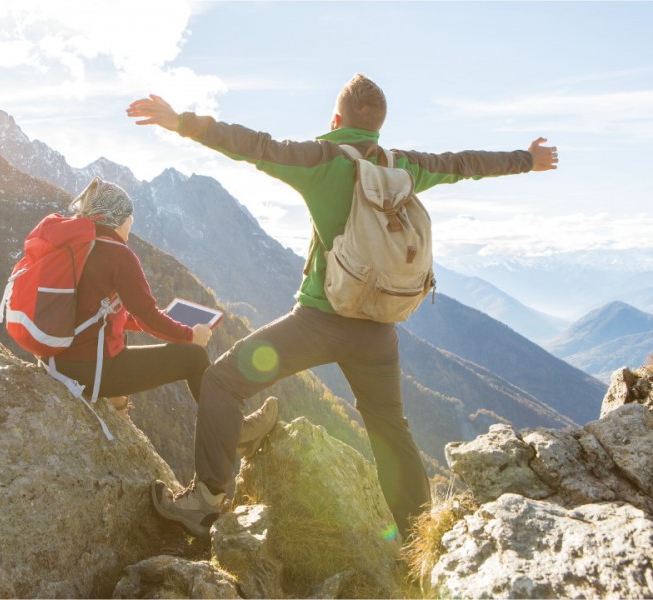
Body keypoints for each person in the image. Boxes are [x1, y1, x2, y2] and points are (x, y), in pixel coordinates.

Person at [126, 74, 558, 540]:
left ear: (336, 119)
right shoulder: (403, 167)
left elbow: (254, 145)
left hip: (318, 321)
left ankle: (207, 501)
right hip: (380, 328)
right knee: (390, 429)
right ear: (378, 127)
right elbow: (464, 162)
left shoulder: (323, 158)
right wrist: (526, 160)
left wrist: (180, 122)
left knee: (221, 382)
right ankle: (421, 539)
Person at [51, 177, 214, 417]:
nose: (131, 224)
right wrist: (191, 335)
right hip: (90, 371)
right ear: (116, 219)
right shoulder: (118, 254)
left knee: (120, 335)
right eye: (129, 218)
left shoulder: (75, 245)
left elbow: (92, 311)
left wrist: (165, 321)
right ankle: (237, 435)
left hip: (57, 362)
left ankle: (117, 410)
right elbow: (148, 317)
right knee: (195, 357)